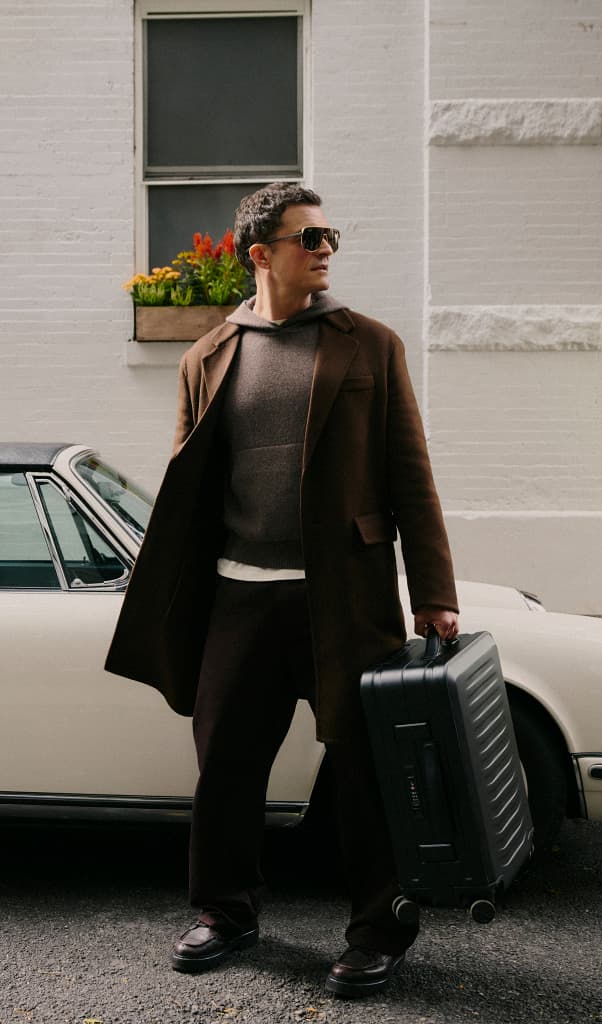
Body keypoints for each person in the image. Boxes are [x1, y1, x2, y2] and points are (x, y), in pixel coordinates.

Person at [105, 181, 459, 998]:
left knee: (365, 773)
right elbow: (191, 489)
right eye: (310, 237)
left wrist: (433, 588)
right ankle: (225, 914)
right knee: (225, 766)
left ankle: (380, 929)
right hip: (240, 598)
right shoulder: (208, 355)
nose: (326, 248)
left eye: (331, 235)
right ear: (260, 254)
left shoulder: (367, 344)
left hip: (346, 599)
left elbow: (412, 473)